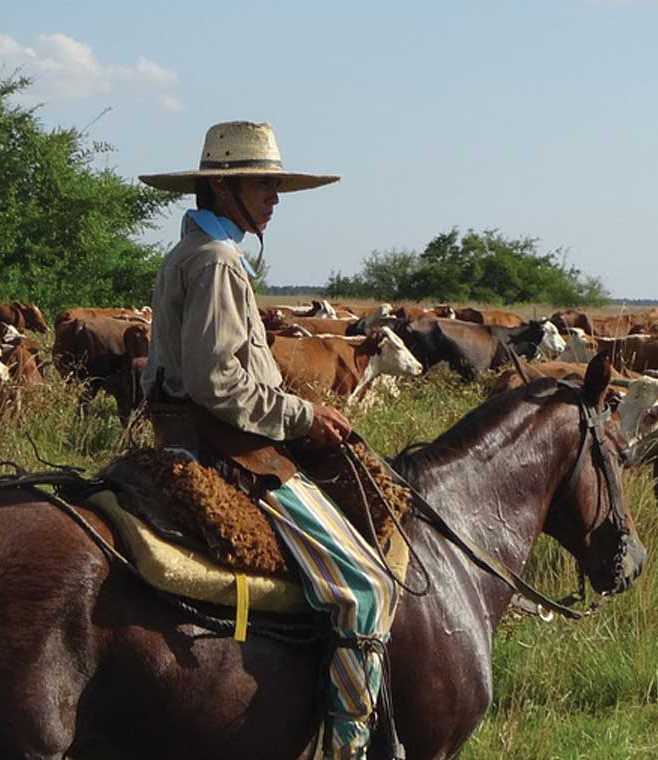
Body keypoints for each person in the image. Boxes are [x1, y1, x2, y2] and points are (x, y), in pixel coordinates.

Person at [138, 121, 397, 759]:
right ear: (222, 189)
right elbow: (219, 384)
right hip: (226, 450)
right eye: (263, 184)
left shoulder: (189, 254)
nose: (275, 198)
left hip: (190, 435)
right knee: (367, 587)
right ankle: (347, 745)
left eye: (277, 186)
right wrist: (304, 417)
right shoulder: (219, 262)